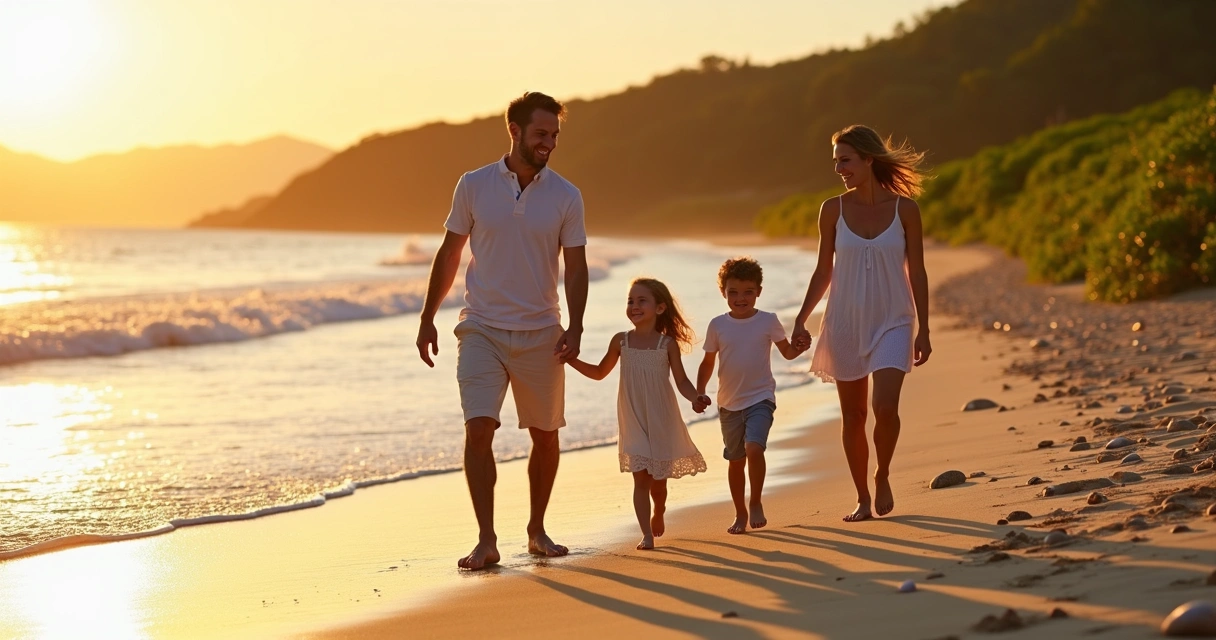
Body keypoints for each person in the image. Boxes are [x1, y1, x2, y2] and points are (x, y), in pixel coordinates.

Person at [415, 92, 588, 570]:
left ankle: (537, 530)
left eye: (554, 135)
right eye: (541, 134)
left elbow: (575, 268)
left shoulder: (566, 195)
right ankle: (486, 540)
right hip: (481, 329)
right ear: (514, 131)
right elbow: (450, 253)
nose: (549, 143)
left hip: (541, 332)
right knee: (478, 430)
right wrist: (428, 315)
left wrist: (575, 325)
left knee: (546, 435)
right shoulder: (472, 185)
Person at [790, 124, 932, 523]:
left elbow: (917, 272)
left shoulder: (906, 210)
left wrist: (925, 327)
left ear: (869, 159)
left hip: (894, 319)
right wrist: (801, 319)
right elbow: (823, 272)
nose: (839, 168)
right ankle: (862, 498)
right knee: (853, 417)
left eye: (846, 160)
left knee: (885, 407)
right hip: (845, 322)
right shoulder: (831, 210)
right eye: (836, 161)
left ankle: (882, 472)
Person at [567, 278, 709, 550]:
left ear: (659, 308)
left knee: (658, 483)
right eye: (630, 301)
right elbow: (599, 373)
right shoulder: (621, 341)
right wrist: (571, 360)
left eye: (642, 300)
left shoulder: (666, 344)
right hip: (632, 417)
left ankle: (659, 510)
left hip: (661, 417)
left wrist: (696, 398)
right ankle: (645, 534)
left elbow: (681, 381)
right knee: (640, 477)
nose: (634, 306)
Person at [696, 258, 805, 534]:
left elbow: (788, 352)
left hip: (761, 397)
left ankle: (755, 501)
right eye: (733, 292)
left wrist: (800, 347)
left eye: (747, 291)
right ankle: (740, 512)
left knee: (754, 448)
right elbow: (708, 363)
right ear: (723, 292)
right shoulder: (717, 325)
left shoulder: (768, 321)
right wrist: (699, 391)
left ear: (758, 291)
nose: (740, 298)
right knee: (735, 460)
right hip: (728, 403)